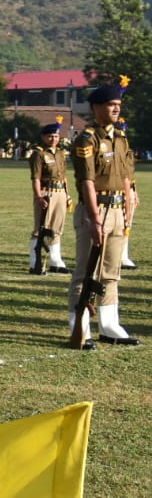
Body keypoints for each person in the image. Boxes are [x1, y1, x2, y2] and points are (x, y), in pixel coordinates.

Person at [69, 82, 141, 347]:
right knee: (86, 273)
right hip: (95, 209)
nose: (115, 109)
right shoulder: (87, 139)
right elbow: (87, 181)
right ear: (96, 107)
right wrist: (94, 218)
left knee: (111, 272)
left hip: (117, 209)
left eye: (118, 106)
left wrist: (129, 203)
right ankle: (79, 326)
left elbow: (125, 176)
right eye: (111, 105)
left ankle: (110, 325)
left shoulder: (120, 138)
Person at [28, 117, 70, 274]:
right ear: (44, 137)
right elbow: (36, 178)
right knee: (41, 227)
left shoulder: (60, 153)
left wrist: (68, 194)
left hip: (60, 192)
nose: (54, 139)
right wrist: (38, 196)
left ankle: (56, 260)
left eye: (57, 136)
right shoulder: (39, 154)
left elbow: (64, 176)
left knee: (57, 228)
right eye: (50, 136)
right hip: (46, 192)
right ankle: (34, 262)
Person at [119, 119, 140, 269]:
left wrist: (135, 191)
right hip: (116, 191)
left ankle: (123, 255)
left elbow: (130, 175)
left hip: (129, 191)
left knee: (127, 223)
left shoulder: (129, 153)